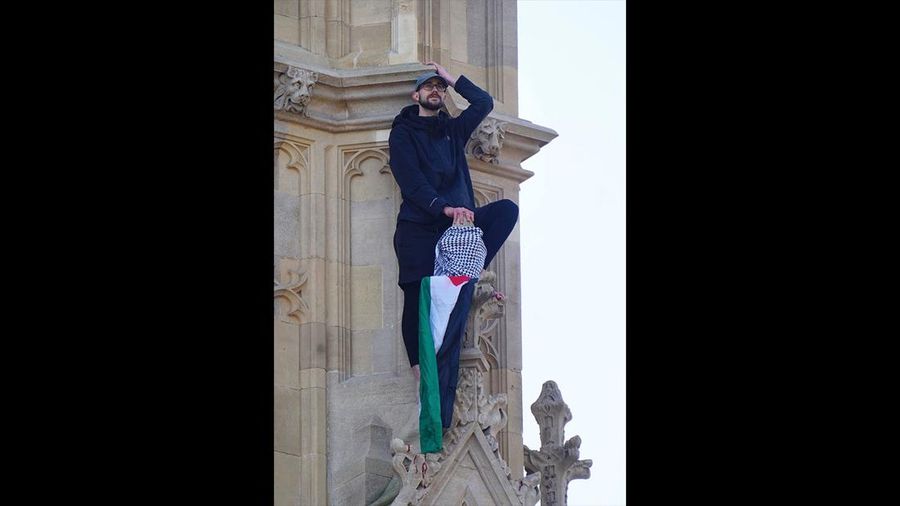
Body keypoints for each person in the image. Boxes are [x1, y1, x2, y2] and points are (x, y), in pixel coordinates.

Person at [388, 61, 519, 381]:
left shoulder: (452, 129)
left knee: (505, 211)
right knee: (416, 293)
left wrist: (451, 78)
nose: (436, 90)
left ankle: (472, 274)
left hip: (456, 228)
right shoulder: (403, 132)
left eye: (440, 87)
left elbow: (484, 103)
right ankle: (420, 372)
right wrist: (443, 207)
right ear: (415, 94)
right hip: (419, 226)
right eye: (429, 86)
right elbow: (410, 180)